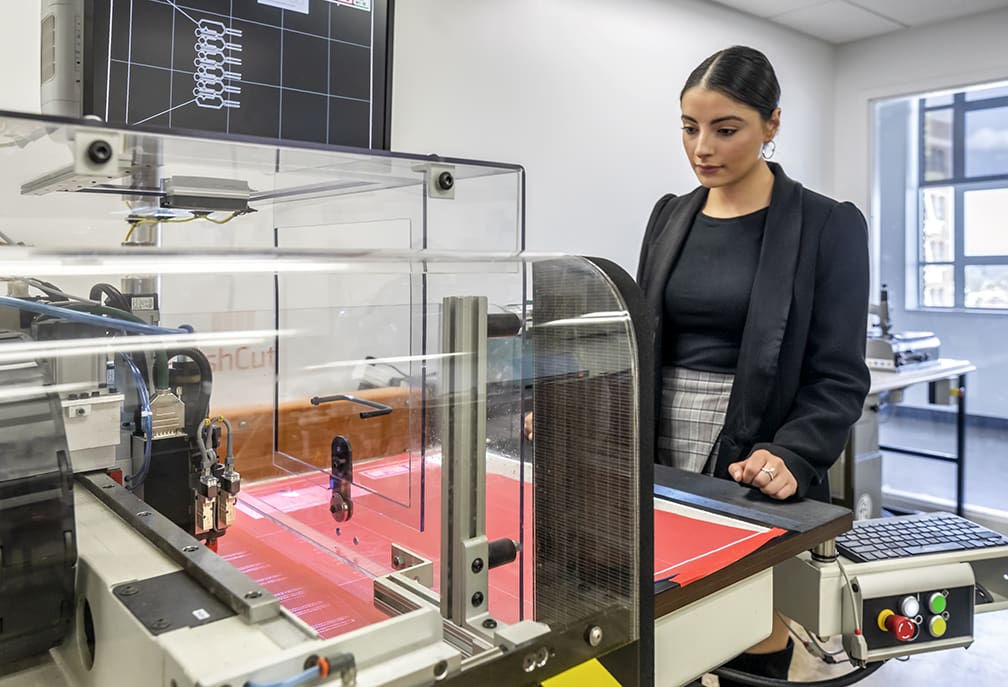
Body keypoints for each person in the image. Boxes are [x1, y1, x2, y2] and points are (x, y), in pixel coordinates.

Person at [636, 45, 870, 684]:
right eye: (689, 128)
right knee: (664, 628)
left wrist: (792, 454)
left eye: (725, 129)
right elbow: (640, 341)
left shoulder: (829, 226)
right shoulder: (669, 215)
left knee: (745, 625)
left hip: (756, 446)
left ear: (772, 124)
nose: (701, 148)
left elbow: (840, 375)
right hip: (660, 440)